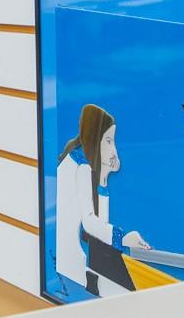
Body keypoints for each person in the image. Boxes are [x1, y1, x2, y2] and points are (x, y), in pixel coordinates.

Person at [53, 104, 149, 296]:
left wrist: (104, 176)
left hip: (78, 261)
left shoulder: (78, 159)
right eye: (108, 141)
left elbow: (99, 226)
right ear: (95, 138)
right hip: (78, 265)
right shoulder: (82, 168)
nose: (113, 149)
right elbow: (91, 225)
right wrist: (124, 238)